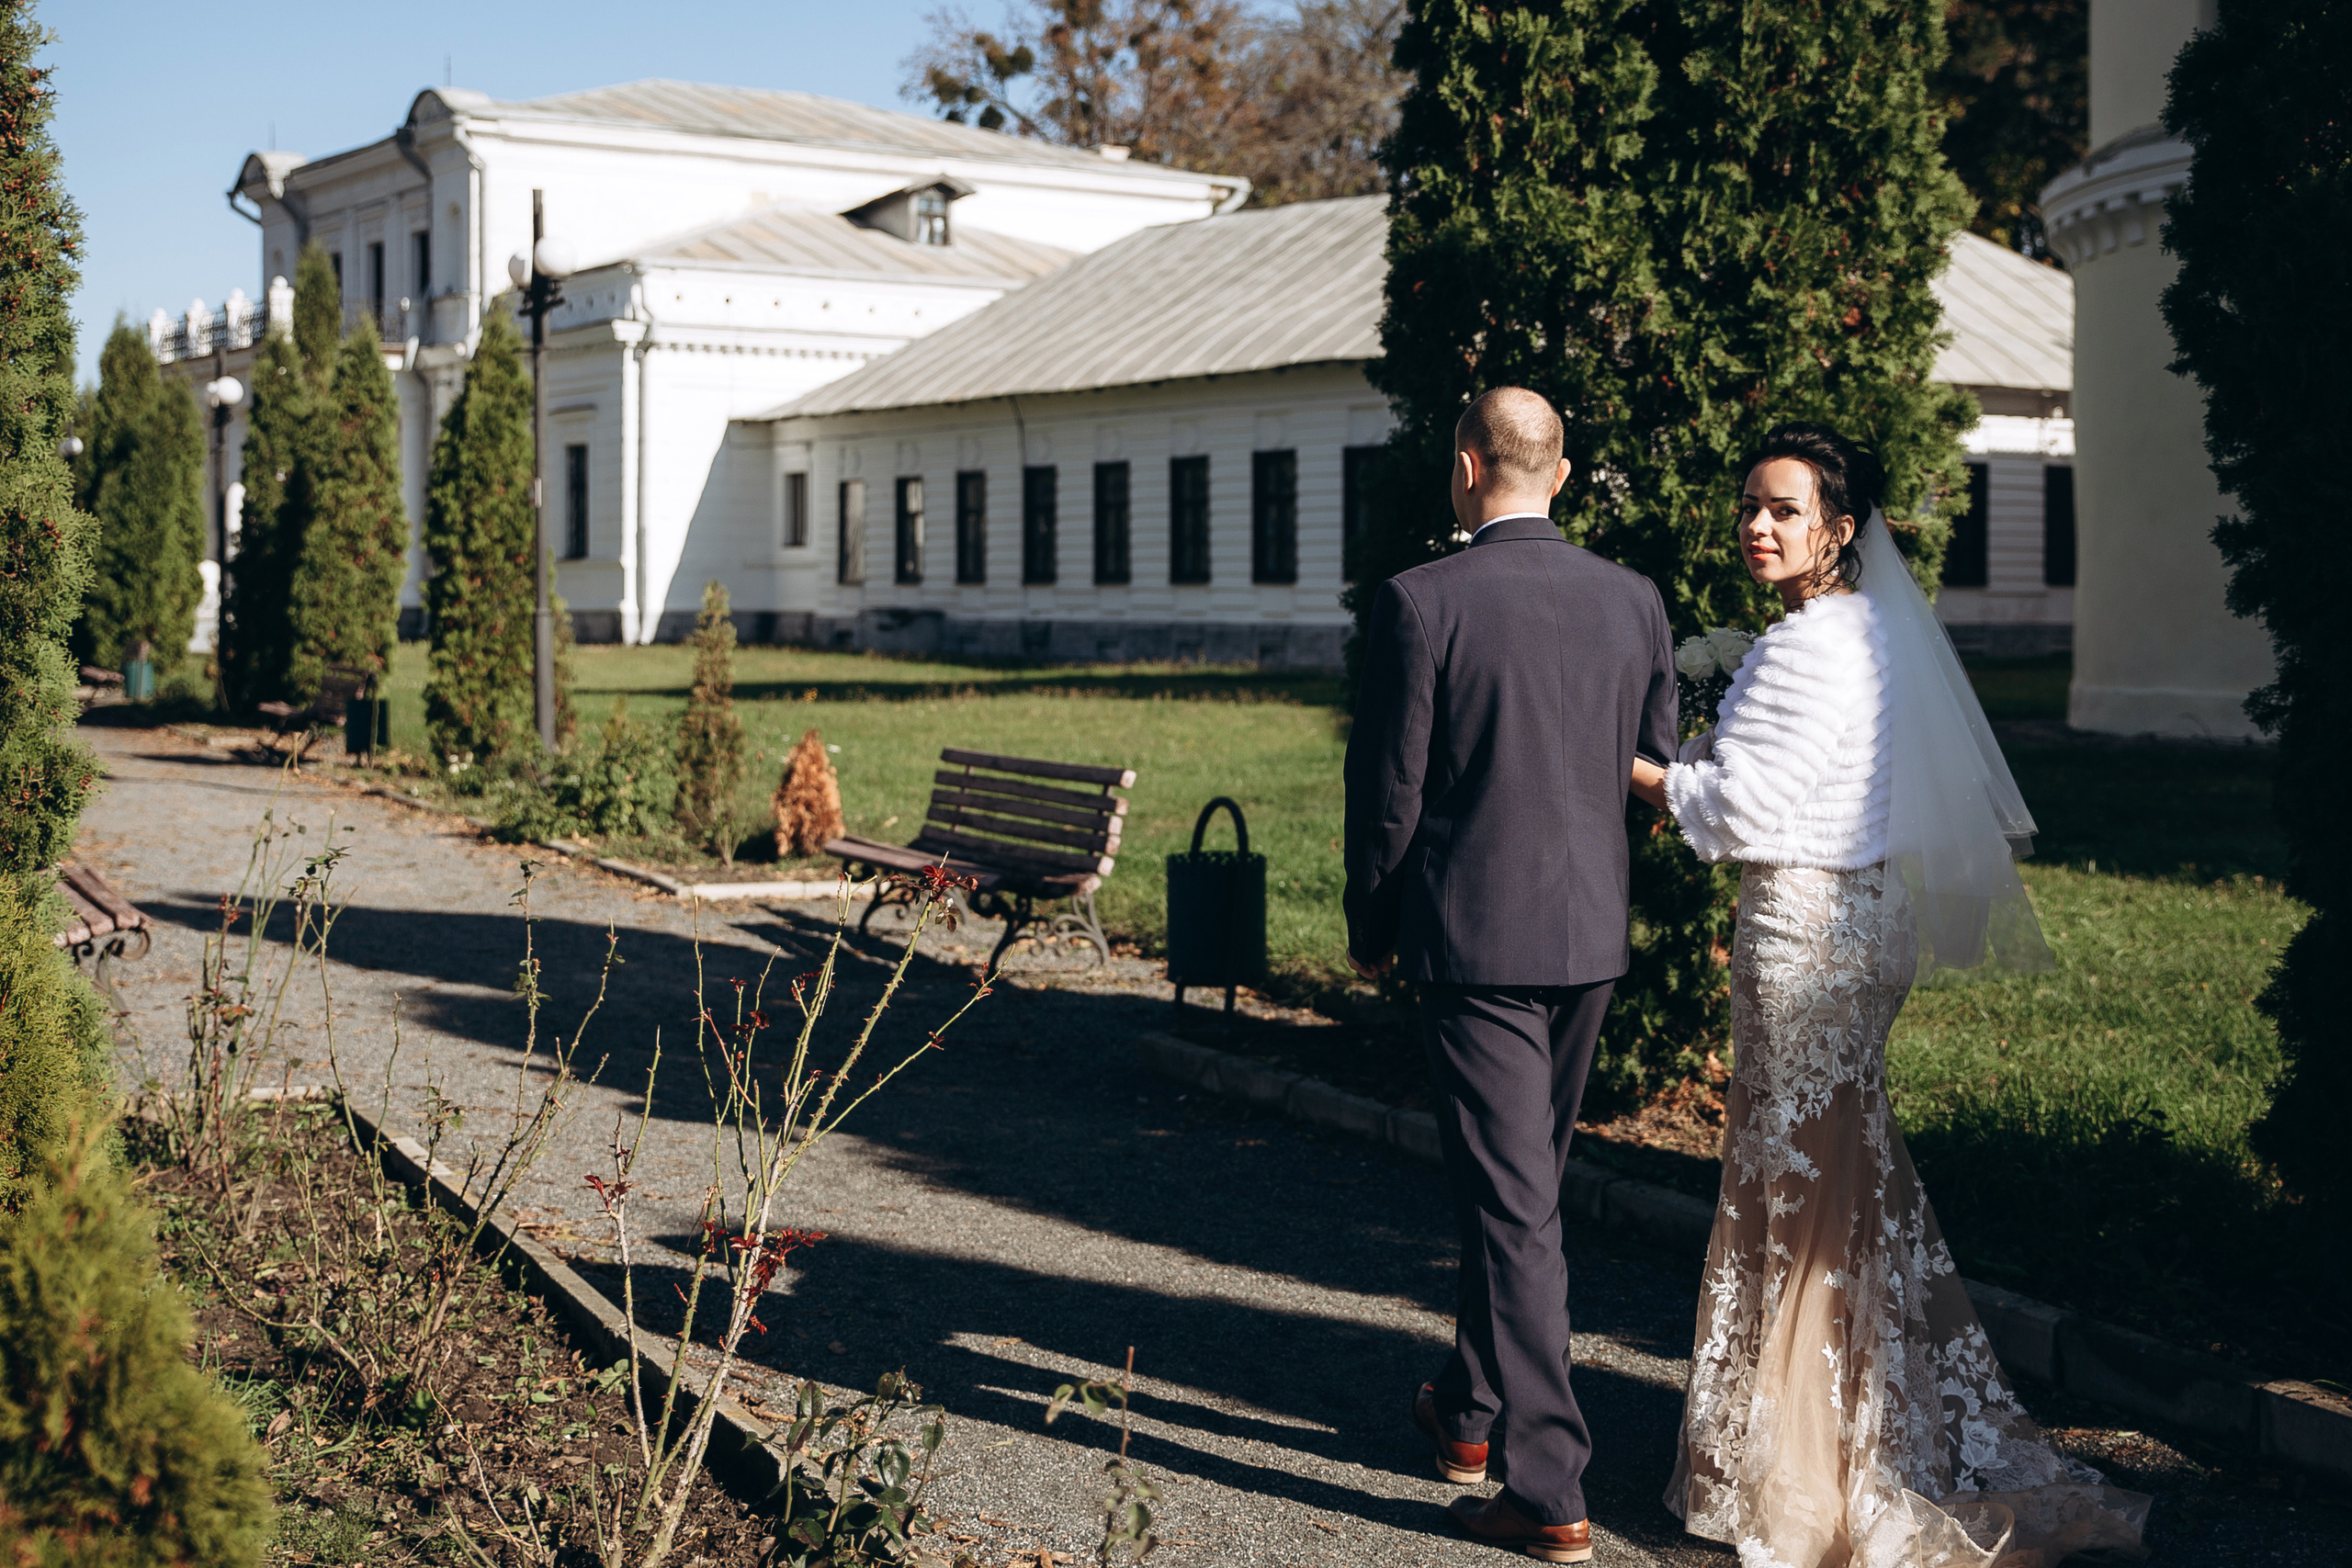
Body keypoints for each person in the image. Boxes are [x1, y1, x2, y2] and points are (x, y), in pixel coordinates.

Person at [1629, 423, 2150, 1567]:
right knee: (1844, 1183)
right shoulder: (1869, 636)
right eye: (1749, 507)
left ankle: (1808, 1475)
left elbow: (1739, 810)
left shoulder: (1808, 648)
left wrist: (1638, 766)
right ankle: (1856, 1428)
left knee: (1795, 1191)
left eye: (1783, 509)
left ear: (1834, 526)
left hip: (1805, 934)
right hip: (1864, 921)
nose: (1757, 526)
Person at [1344, 387, 1677, 1563]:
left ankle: (1548, 1489)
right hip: (1587, 937)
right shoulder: (1634, 600)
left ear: (1467, 466)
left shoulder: (1420, 601)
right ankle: (1472, 1416)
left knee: (1514, 1208)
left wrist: (1372, 917)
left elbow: (1392, 789)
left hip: (1474, 938)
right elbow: (1656, 768)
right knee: (1523, 1192)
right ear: (1564, 474)